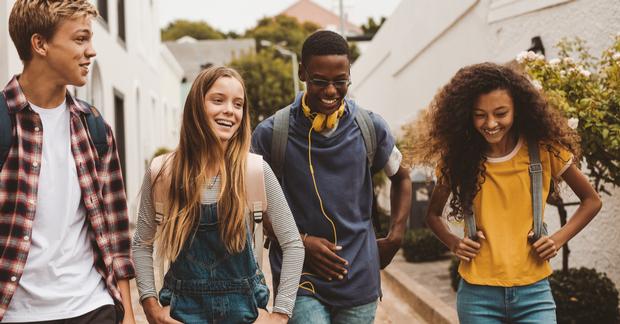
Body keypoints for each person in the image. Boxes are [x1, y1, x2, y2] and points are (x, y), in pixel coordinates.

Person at [418, 63, 602, 323]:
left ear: (518, 109)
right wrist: (454, 243)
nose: (491, 123)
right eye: (480, 114)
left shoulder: (544, 149)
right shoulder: (457, 159)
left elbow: (592, 201)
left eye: (501, 113)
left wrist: (558, 239)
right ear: (466, 115)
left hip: (534, 293)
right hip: (477, 295)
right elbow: (433, 215)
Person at [251, 30, 412, 324]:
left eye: (340, 81)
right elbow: (253, 207)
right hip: (299, 280)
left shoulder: (370, 126)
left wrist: (396, 236)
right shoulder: (272, 134)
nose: (330, 91)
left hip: (359, 279)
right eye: (320, 81)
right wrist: (299, 242)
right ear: (302, 72)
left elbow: (402, 178)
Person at [132, 66, 304, 323]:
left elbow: (293, 245)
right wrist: (151, 308)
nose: (230, 111)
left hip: (244, 314)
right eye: (218, 100)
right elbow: (141, 244)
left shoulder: (254, 171)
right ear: (195, 106)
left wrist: (280, 315)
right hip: (182, 314)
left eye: (238, 104)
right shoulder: (163, 172)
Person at [0, 1, 136, 323]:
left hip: (92, 307)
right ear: (40, 44)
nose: (91, 51)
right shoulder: (4, 122)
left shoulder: (95, 126)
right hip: (17, 314)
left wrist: (128, 315)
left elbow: (116, 231)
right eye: (80, 39)